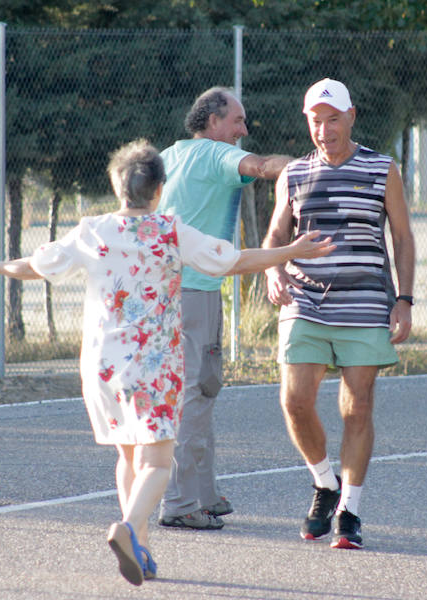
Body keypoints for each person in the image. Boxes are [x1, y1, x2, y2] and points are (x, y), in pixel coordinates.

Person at [0, 140, 333, 585]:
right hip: (153, 363)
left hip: (103, 365)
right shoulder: (170, 231)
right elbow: (232, 261)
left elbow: (38, 265)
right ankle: (130, 529)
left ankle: (143, 549)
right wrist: (292, 251)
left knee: (128, 453)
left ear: (118, 188)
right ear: (160, 189)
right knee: (158, 462)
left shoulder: (93, 230)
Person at [262, 78, 416, 549]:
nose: (324, 130)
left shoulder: (382, 168)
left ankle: (349, 509)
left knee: (358, 407)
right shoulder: (294, 174)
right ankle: (324, 483)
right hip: (306, 300)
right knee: (295, 400)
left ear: (351, 116)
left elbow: (403, 239)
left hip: (366, 302)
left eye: (333, 119)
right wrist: (272, 271)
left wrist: (404, 300)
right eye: (315, 121)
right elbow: (274, 236)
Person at [156, 87, 293, 530]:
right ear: (213, 121)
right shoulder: (215, 154)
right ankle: (179, 502)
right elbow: (261, 166)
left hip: (167, 290)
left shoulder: (169, 156)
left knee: (202, 387)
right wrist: (311, 166)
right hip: (194, 291)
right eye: (238, 121)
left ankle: (204, 492)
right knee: (196, 392)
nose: (244, 129)